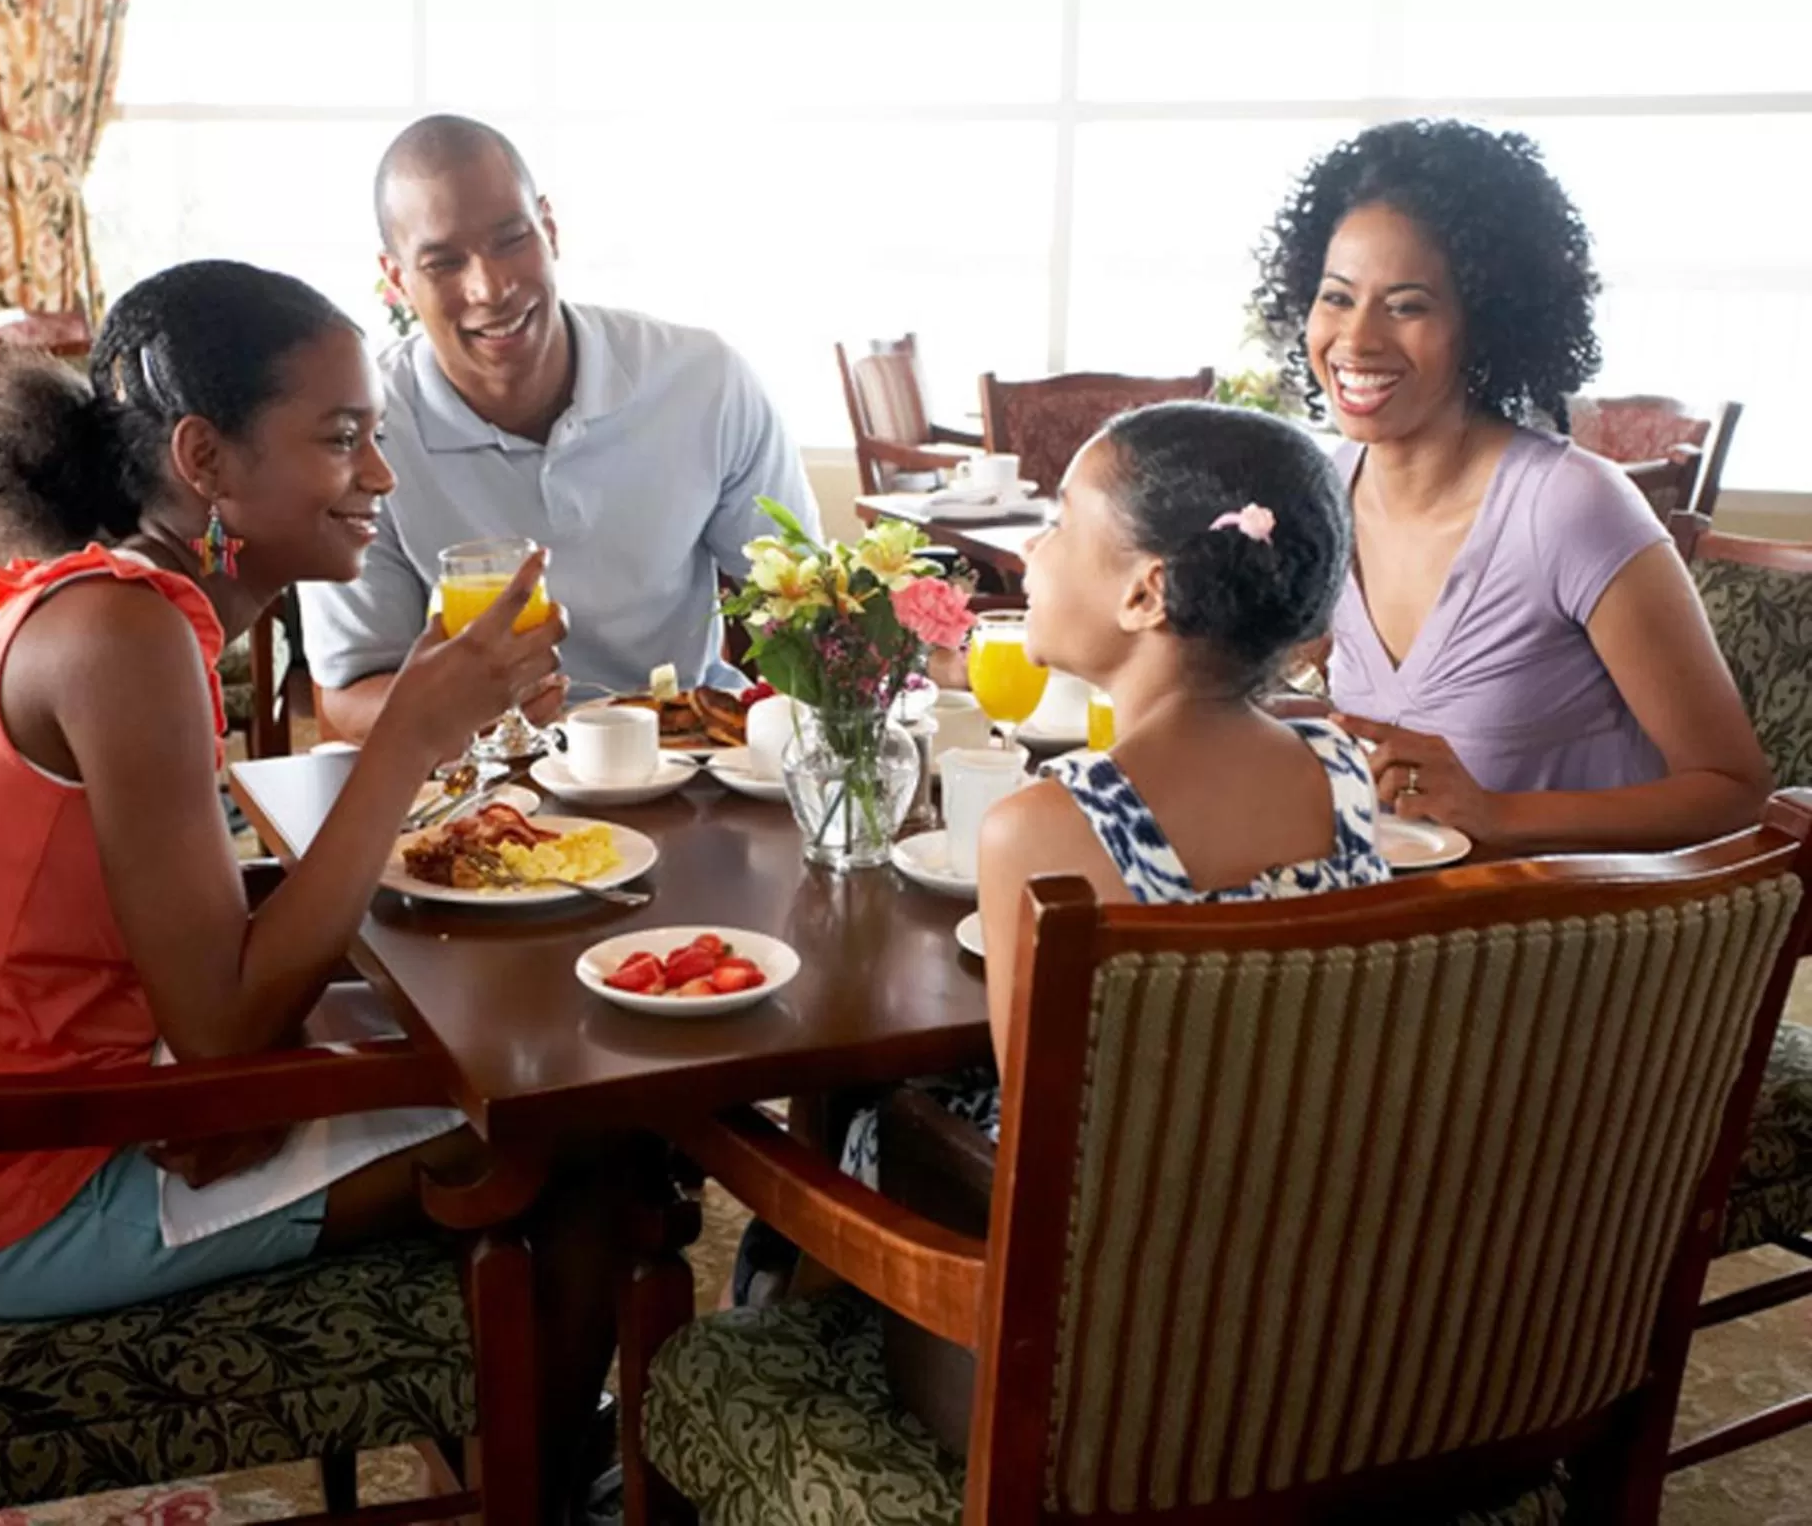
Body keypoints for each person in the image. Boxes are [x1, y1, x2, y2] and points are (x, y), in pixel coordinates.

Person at [0, 260, 615, 1504]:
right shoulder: (123, 639)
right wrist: (405, 736)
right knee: (576, 1148)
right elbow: (221, 1032)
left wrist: (251, 1068)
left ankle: (518, 1442)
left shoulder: (114, 604)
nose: (380, 476)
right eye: (341, 438)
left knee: (423, 1052)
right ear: (205, 457)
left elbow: (171, 953)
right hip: (1, 1195)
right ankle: (554, 1489)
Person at [838, 402, 1390, 1183]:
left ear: (1146, 594)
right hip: (1291, 1208)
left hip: (1109, 1257)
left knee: (860, 1119)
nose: (1033, 547)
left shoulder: (1043, 828)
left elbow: (1039, 1133)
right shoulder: (1338, 766)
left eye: (1060, 522)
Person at [1253, 118, 1770, 851]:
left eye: (1408, 305)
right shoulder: (1326, 495)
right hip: (1408, 928)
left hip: (1569, 939)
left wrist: (1500, 815)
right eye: (1337, 297)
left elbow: (1736, 792)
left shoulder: (1570, 507)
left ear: (1485, 324)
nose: (1358, 339)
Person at [301, 114, 821, 737]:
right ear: (397, 279)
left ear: (549, 228)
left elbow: (811, 615)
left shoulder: (706, 382)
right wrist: (472, 713)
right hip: (488, 781)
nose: (489, 287)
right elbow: (351, 690)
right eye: (443, 263)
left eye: (511, 239)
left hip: (687, 756)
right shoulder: (365, 441)